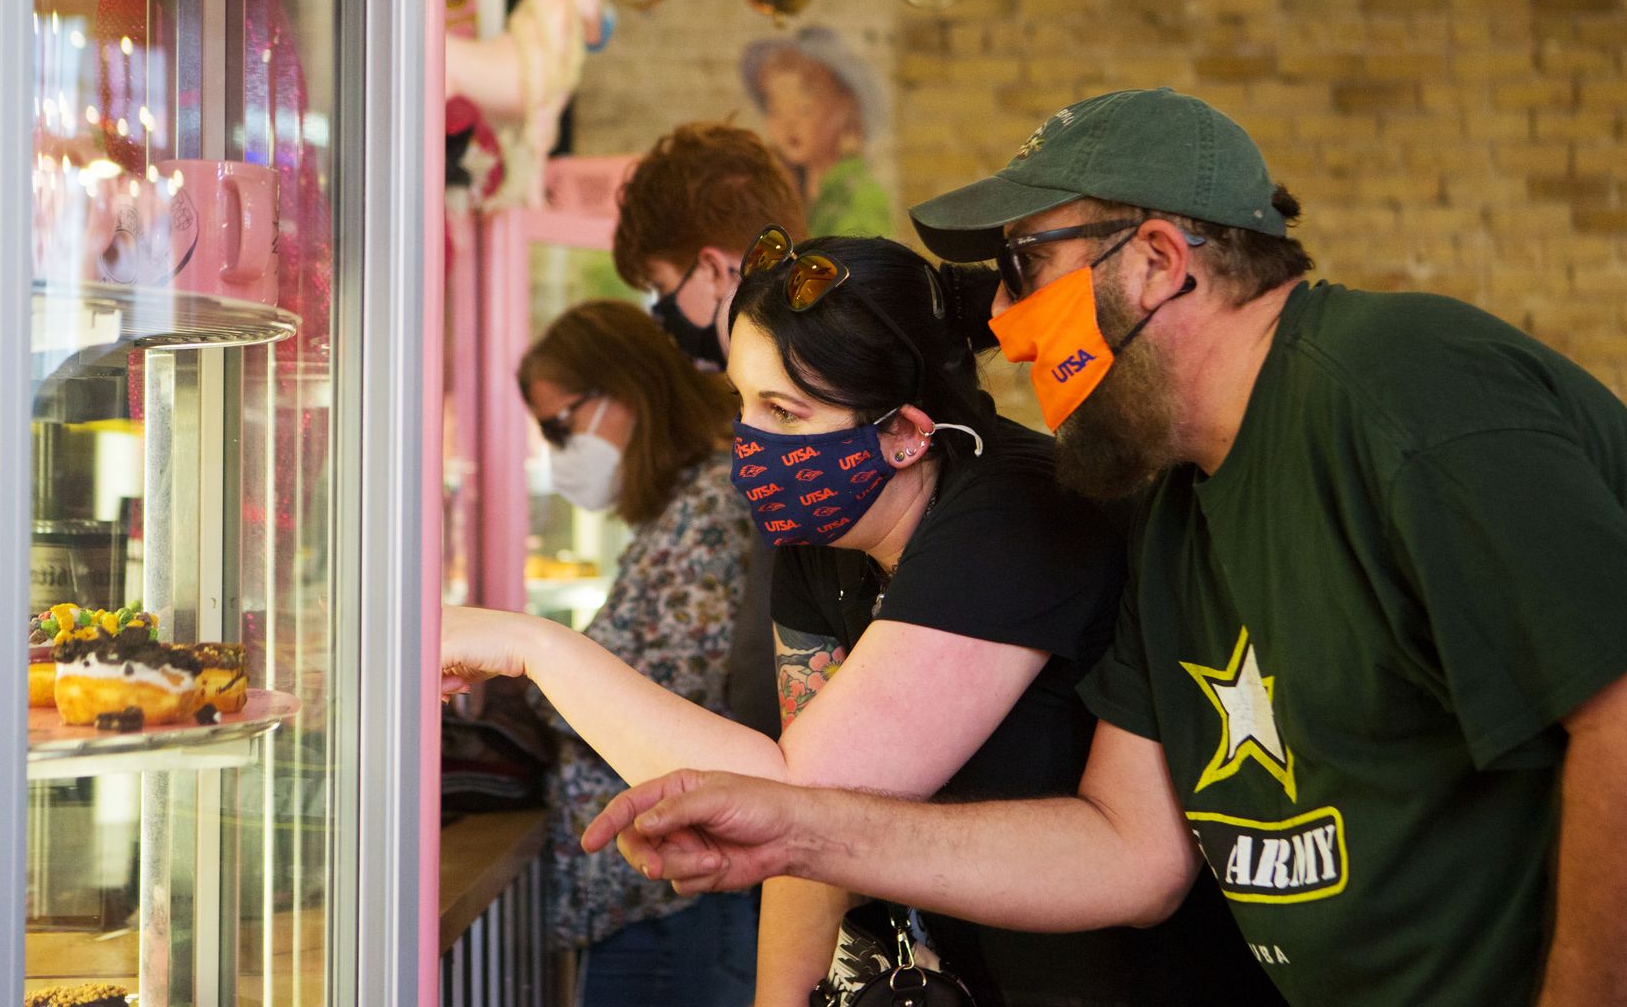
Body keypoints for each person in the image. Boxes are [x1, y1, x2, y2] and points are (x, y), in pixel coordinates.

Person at [585, 89, 1627, 1007]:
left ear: (1158, 261)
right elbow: (1127, 853)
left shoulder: (1394, 386)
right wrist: (802, 831)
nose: (1000, 324)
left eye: (1024, 270)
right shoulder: (1173, 509)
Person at [444, 232, 1279, 1006]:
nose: (748, 441)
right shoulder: (825, 539)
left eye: (784, 413)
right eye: (742, 402)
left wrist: (533, 648)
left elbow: (792, 800)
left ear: (908, 435)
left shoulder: (1016, 513)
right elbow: (808, 847)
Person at [498, 301, 759, 1006]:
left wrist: (519, 666)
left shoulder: (712, 505)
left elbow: (663, 689)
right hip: (655, 891)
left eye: (561, 426)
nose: (559, 450)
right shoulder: (681, 509)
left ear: (627, 388)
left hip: (679, 899)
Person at [611, 121, 811, 740]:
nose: (661, 314)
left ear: (713, 269)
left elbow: (778, 635)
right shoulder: (806, 374)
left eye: (660, 288)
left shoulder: (801, 400)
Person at [741, 27, 892, 239]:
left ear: (843, 109)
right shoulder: (794, 193)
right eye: (775, 110)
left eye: (804, 108)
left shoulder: (860, 198)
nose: (788, 124)